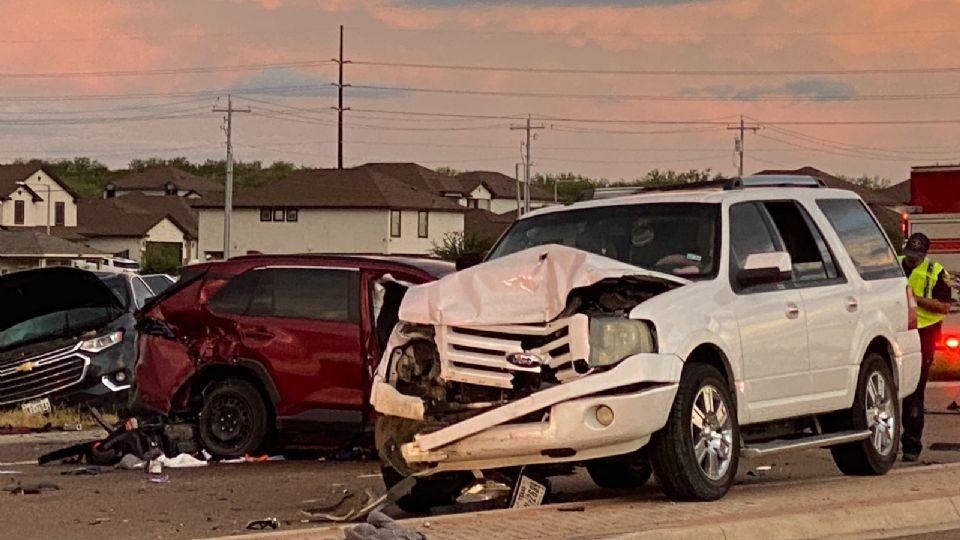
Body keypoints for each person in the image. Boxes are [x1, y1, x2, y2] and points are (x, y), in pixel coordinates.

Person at [900, 233, 953, 462]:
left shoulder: (936, 271)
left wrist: (915, 299)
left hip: (924, 333)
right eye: (909, 254)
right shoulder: (894, 264)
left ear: (925, 254)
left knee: (914, 389)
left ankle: (911, 445)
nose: (911, 259)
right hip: (896, 329)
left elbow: (944, 306)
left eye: (916, 256)